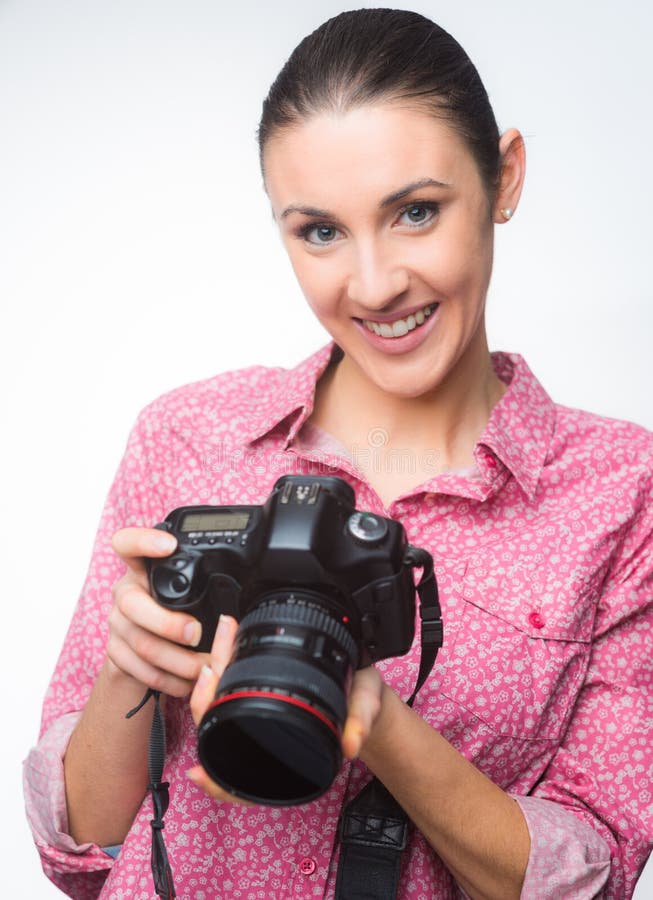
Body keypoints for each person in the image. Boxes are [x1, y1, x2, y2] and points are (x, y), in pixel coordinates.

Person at [23, 8, 652, 899]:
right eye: (319, 231)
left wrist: (374, 717)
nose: (373, 283)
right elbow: (80, 851)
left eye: (416, 213)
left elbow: (590, 873)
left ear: (504, 176)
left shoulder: (623, 492)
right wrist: (132, 665)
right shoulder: (188, 436)